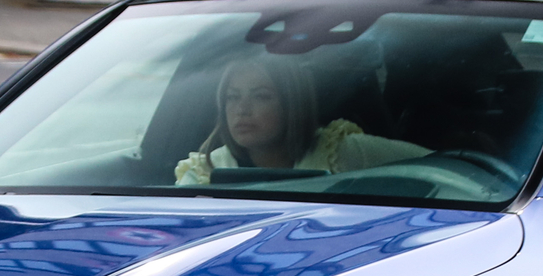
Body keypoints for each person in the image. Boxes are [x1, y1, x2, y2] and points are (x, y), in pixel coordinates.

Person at [174, 56, 426, 184]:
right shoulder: (203, 173)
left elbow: (439, 166)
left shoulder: (340, 153)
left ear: (292, 105)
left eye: (261, 97)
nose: (242, 110)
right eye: (232, 97)